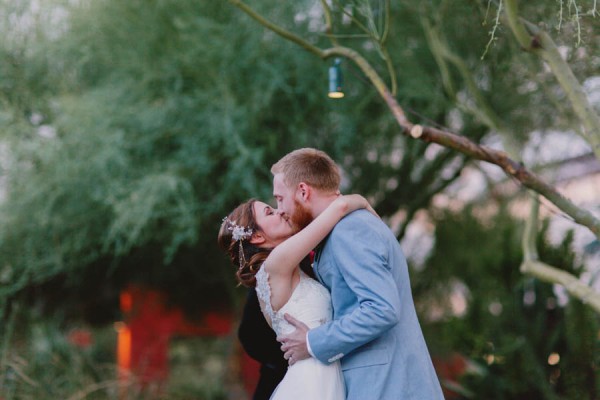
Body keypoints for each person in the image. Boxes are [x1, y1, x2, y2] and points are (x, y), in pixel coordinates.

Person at [272, 148, 445, 400]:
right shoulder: (342, 229)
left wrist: (312, 342)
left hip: (388, 385)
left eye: (279, 198)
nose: (279, 209)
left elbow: (382, 309)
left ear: (303, 191)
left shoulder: (350, 230)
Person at [218, 194, 375, 399]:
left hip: (322, 374)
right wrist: (364, 204)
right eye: (270, 211)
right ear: (257, 237)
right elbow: (341, 206)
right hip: (311, 380)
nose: (280, 211)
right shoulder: (277, 263)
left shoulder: (278, 271)